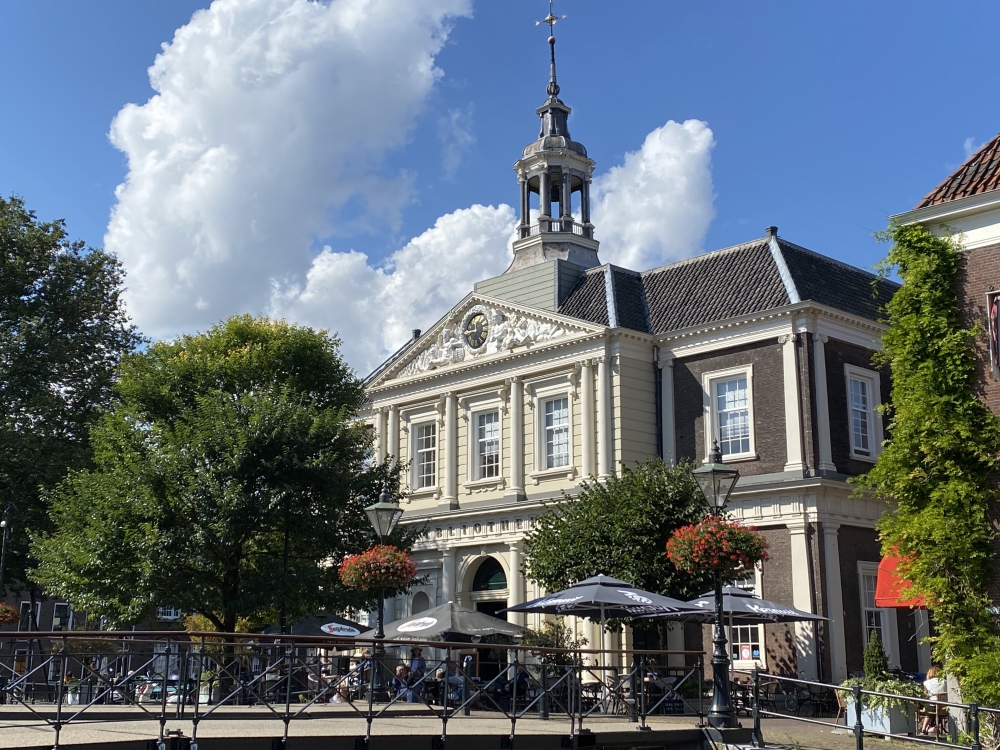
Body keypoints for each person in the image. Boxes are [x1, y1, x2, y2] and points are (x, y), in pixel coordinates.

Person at [921, 666, 947, 735]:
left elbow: (925, 695)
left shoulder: (926, 683)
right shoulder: (945, 682)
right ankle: (935, 726)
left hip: (933, 706)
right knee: (934, 708)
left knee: (928, 709)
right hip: (945, 706)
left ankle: (923, 729)